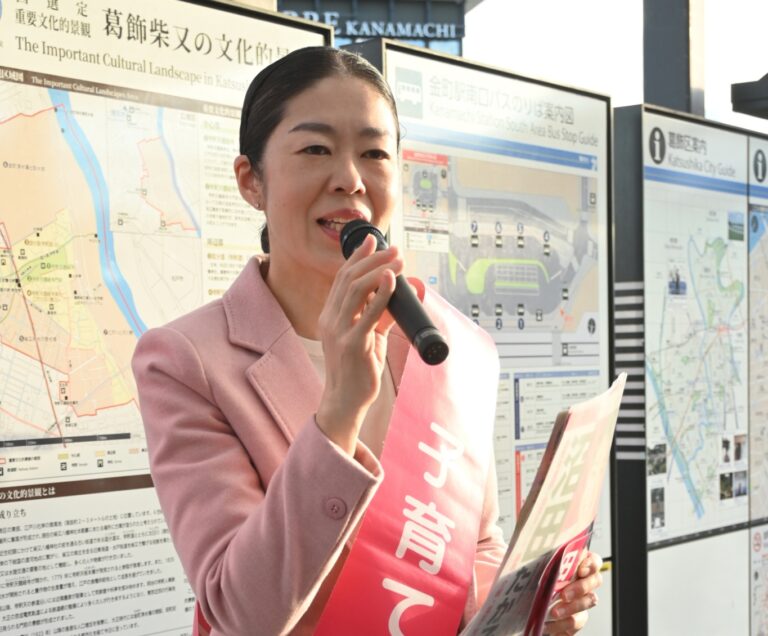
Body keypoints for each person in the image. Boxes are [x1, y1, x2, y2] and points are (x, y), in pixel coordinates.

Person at [132, 46, 602, 636]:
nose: (350, 179)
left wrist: (532, 607)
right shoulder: (186, 361)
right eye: (316, 149)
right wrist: (339, 413)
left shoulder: (451, 343)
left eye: (374, 153)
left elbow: (476, 547)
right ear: (251, 181)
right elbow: (240, 612)